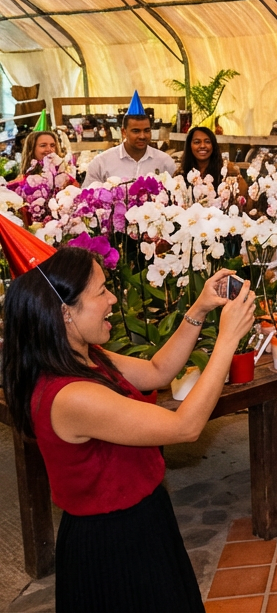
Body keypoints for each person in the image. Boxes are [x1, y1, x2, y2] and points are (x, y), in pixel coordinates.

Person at [0, 247, 255, 613]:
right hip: (113, 544)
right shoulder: (70, 396)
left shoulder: (84, 357)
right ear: (65, 313)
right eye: (101, 291)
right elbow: (185, 426)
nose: (113, 298)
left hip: (144, 520)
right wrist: (228, 340)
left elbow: (156, 371)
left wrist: (199, 309)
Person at [82, 111, 175, 187]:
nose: (142, 136)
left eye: (146, 130)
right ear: (124, 132)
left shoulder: (165, 162)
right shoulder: (100, 163)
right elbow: (87, 198)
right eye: (136, 131)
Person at [176, 126, 248, 199]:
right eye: (197, 142)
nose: (203, 146)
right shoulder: (180, 175)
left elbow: (242, 197)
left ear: (213, 145)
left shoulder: (228, 171)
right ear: (189, 146)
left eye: (207, 142)